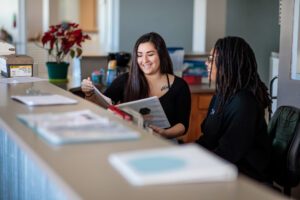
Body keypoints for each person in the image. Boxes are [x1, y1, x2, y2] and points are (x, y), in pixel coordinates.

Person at [81, 32, 191, 139]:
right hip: (130, 139)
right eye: (139, 55)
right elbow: (101, 107)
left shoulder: (180, 86)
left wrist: (165, 133)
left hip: (164, 142)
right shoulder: (124, 80)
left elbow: (182, 124)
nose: (144, 60)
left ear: (161, 55)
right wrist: (89, 93)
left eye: (150, 54)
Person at [196, 36, 272, 182]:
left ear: (228, 64)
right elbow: (208, 139)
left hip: (246, 177)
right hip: (225, 167)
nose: (207, 64)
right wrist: (185, 151)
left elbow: (227, 153)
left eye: (211, 60)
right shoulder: (221, 95)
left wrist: (194, 163)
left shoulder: (244, 103)